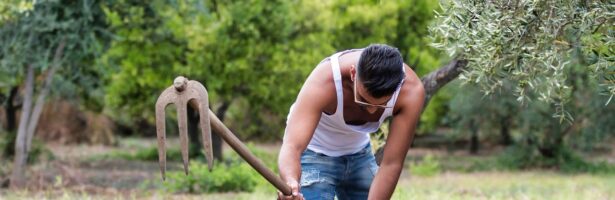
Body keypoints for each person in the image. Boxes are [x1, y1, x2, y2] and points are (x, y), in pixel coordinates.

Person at [277, 44, 425, 200]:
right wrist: (290, 180)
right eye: (363, 100)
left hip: (359, 151)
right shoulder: (326, 80)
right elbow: (292, 146)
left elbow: (391, 163)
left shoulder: (411, 92)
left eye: (382, 104)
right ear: (353, 74)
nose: (371, 111)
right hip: (315, 150)